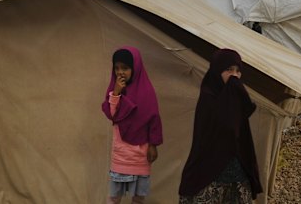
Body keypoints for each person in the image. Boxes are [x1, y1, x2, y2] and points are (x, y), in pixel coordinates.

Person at [178, 48, 262, 204]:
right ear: (217, 71)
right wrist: (235, 94)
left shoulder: (235, 98)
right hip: (209, 177)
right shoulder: (209, 97)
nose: (235, 75)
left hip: (237, 177)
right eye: (229, 70)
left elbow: (241, 135)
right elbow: (226, 126)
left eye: (238, 71)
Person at [102, 46, 163, 204]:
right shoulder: (114, 90)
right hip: (121, 154)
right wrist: (116, 94)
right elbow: (112, 114)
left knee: (139, 198)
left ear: (135, 67)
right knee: (114, 197)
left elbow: (154, 119)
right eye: (116, 68)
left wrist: (153, 145)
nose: (120, 72)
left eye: (125, 68)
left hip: (141, 154)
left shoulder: (147, 92)